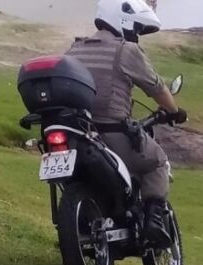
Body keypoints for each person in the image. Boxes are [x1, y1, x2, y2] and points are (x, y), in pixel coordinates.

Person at [65, 0, 187, 248]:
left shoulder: (74, 49)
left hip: (77, 133)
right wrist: (174, 111)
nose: (137, 36)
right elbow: (156, 87)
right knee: (157, 162)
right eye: (136, 29)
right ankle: (154, 223)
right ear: (124, 22)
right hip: (111, 134)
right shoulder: (126, 50)